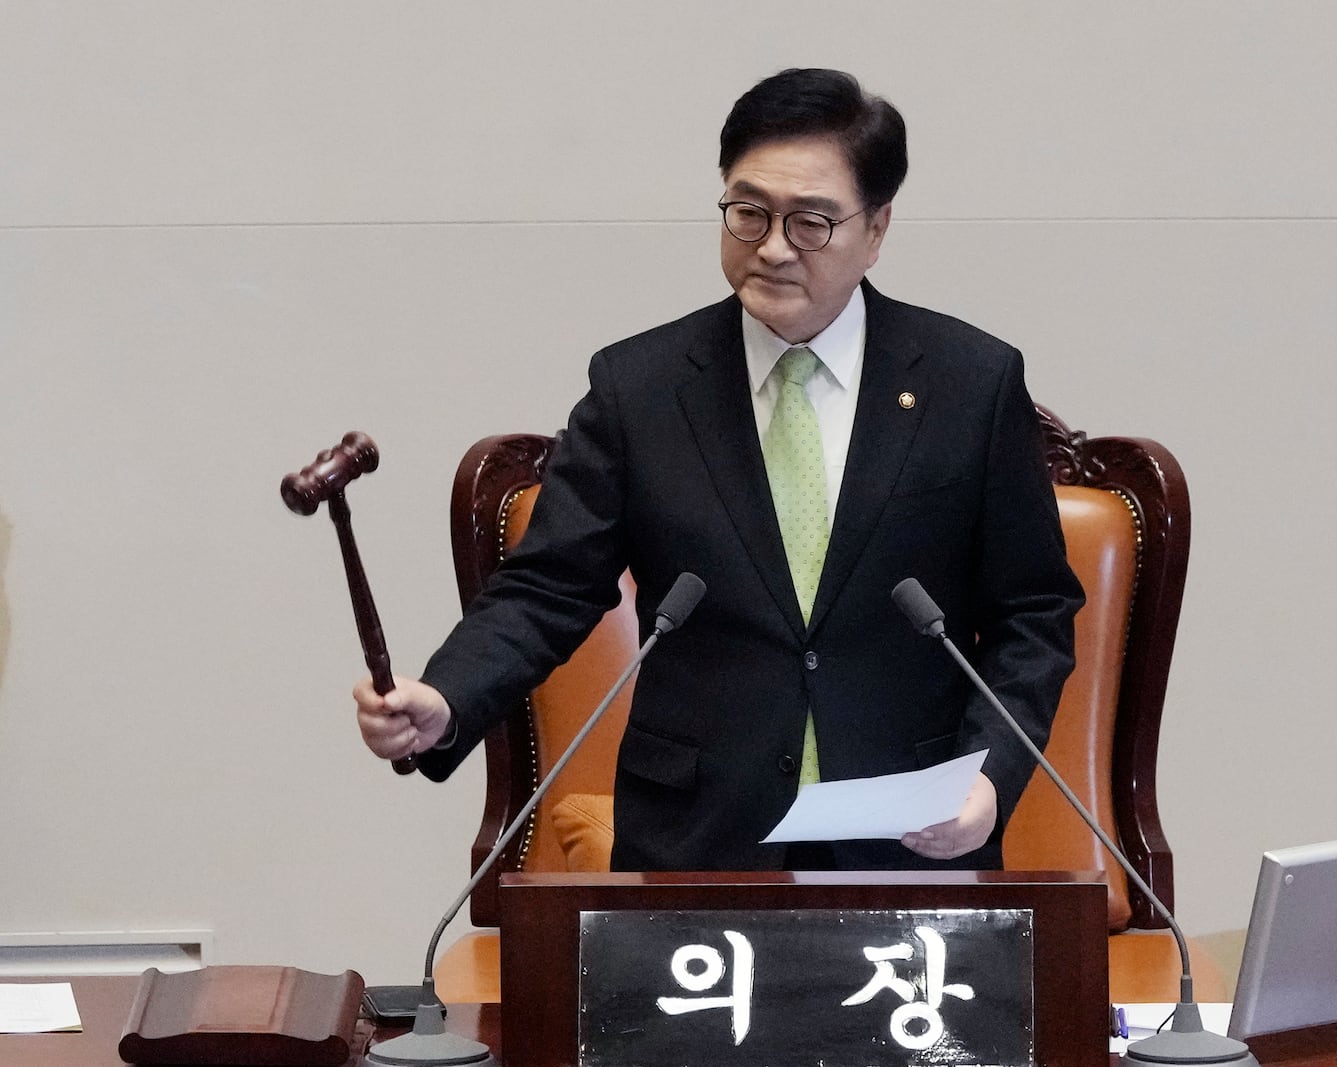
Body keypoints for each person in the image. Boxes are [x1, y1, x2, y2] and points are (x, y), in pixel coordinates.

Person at [354, 68, 1084, 872]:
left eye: (810, 222)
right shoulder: (640, 387)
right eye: (748, 212)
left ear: (876, 229)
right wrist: (448, 695)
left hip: (909, 838)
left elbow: (1032, 613)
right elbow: (550, 586)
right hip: (697, 843)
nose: (771, 247)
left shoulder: (969, 383)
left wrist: (987, 776)